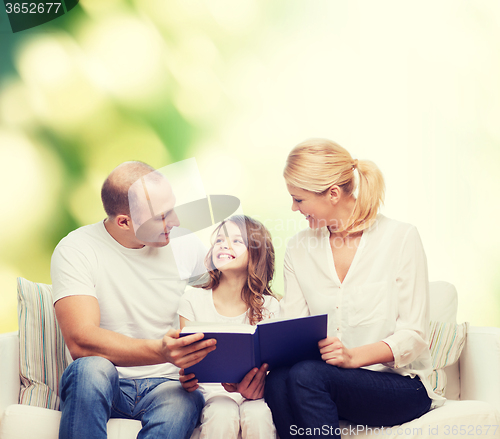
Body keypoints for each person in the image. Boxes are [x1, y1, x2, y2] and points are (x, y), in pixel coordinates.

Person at [264, 139, 445, 439]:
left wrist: (353, 357)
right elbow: (293, 331)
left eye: (299, 199)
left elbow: (414, 336)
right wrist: (257, 370)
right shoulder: (298, 248)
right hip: (328, 381)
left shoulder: (400, 238)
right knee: (278, 380)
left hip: (400, 385)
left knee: (306, 376)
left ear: (333, 193)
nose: (293, 208)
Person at [51, 161, 217, 439]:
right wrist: (161, 351)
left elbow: (235, 292)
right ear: (124, 222)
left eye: (173, 208)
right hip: (109, 383)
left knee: (183, 400)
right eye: (162, 217)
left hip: (169, 385)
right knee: (90, 368)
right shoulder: (76, 249)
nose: (175, 222)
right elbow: (81, 340)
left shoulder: (184, 244)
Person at [178, 215, 279, 439]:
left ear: (256, 253)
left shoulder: (271, 306)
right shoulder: (192, 301)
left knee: (258, 414)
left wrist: (258, 386)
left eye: (236, 241)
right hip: (210, 394)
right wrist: (185, 376)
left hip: (255, 395)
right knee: (222, 412)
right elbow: (187, 360)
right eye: (220, 240)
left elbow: (275, 366)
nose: (224, 245)